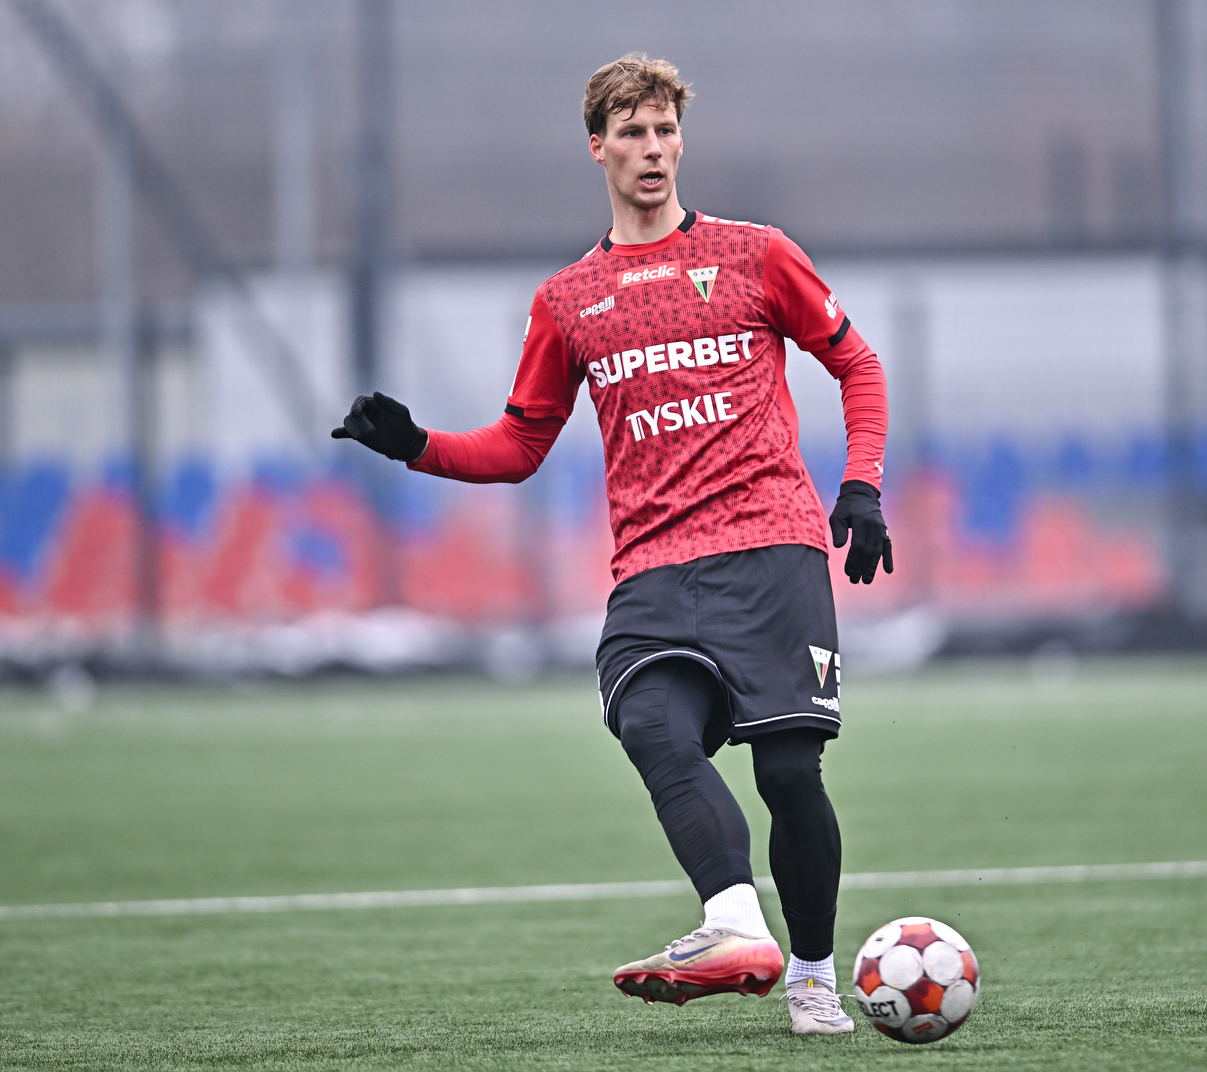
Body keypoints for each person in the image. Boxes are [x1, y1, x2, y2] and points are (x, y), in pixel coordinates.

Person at [332, 53, 890, 1037]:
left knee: (788, 776)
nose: (653, 148)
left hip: (771, 548)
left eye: (665, 129)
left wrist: (863, 485)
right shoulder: (569, 298)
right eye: (632, 132)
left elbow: (857, 363)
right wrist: (416, 445)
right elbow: (519, 445)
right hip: (654, 570)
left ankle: (811, 977)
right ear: (598, 147)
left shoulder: (757, 255)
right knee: (649, 724)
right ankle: (734, 923)